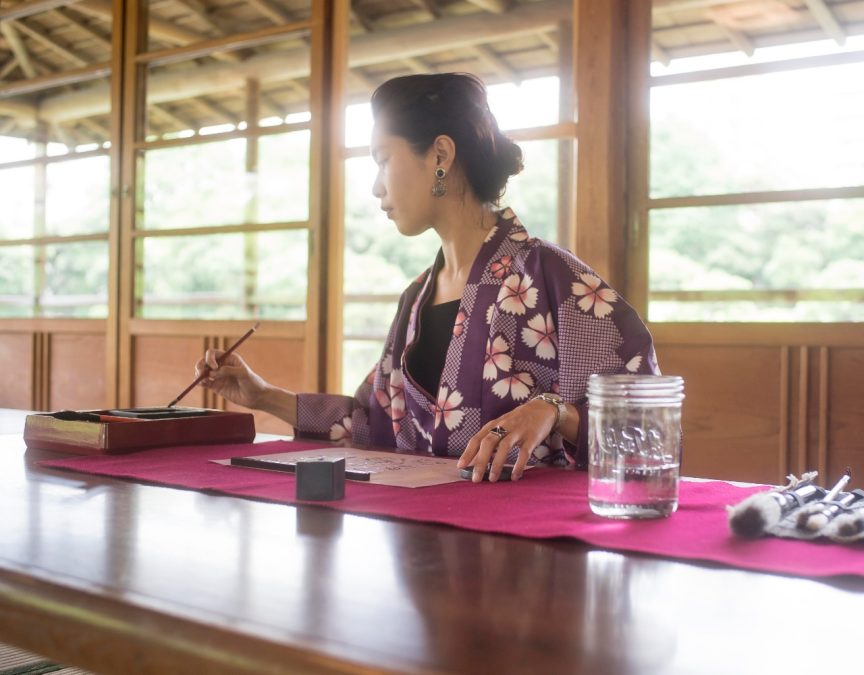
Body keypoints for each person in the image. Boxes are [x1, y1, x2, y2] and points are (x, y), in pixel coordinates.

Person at [197, 73, 658, 483]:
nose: (377, 186)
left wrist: (552, 411)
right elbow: (369, 422)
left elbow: (646, 423)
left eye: (381, 159)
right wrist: (263, 396)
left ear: (440, 154)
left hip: (530, 542)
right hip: (422, 538)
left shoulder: (550, 275)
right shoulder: (416, 296)